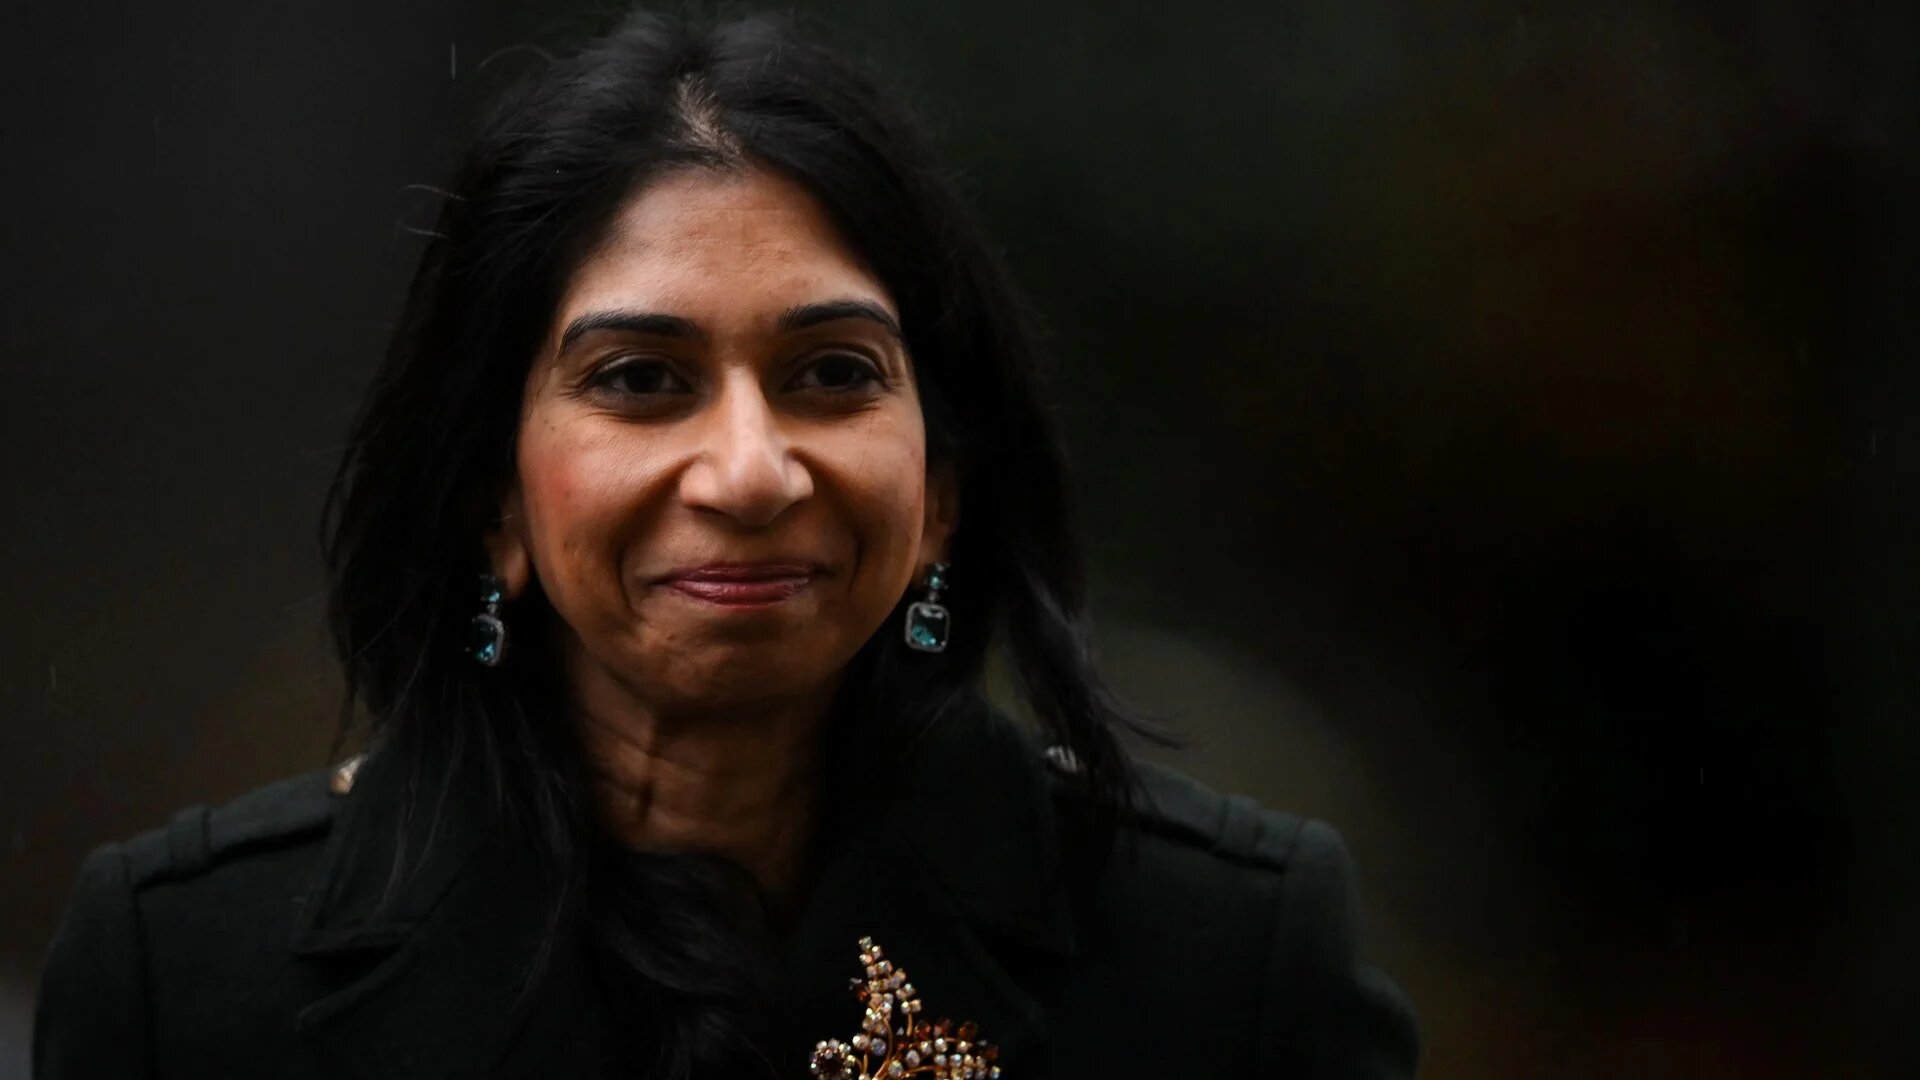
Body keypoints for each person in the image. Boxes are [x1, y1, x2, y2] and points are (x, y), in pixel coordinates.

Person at [33, 10, 1418, 1078]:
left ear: (940, 488)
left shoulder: (1230, 960)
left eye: (833, 374)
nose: (751, 472)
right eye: (641, 380)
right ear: (489, 497)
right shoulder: (185, 974)